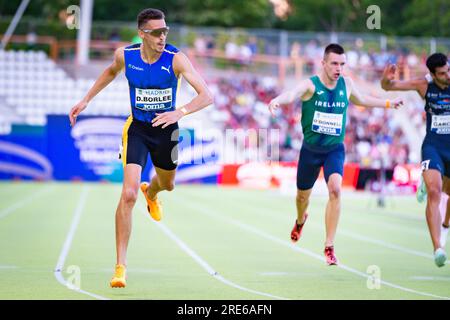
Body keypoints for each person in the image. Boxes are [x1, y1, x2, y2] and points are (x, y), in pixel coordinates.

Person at [68, 8, 213, 287]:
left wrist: (179, 112)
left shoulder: (176, 59)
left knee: (168, 184)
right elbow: (110, 73)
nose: (162, 36)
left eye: (165, 31)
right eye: (156, 32)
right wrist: (86, 99)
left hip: (167, 130)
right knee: (129, 193)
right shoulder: (126, 55)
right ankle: (120, 267)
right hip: (136, 129)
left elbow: (207, 95)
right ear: (142, 34)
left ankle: (153, 191)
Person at [268, 44, 403, 265]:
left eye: (342, 64)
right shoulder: (310, 85)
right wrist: (276, 100)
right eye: (334, 63)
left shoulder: (347, 85)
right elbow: (292, 94)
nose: (339, 68)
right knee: (302, 197)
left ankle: (329, 246)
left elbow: (363, 100)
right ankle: (301, 220)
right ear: (323, 63)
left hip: (334, 150)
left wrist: (388, 103)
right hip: (310, 151)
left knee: (336, 189)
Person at [381, 53, 450, 266]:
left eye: (448, 70)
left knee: (448, 192)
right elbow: (388, 87)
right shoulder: (423, 85)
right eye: (442, 73)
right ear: (432, 74)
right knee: (434, 191)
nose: (447, 76)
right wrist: (386, 78)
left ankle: (446, 224)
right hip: (433, 145)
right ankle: (437, 247)